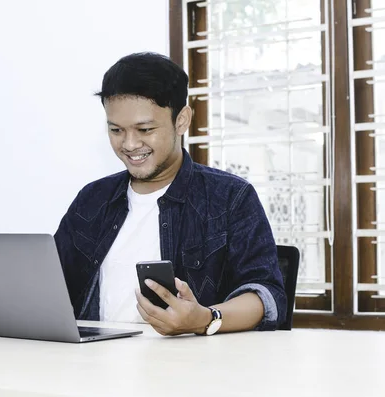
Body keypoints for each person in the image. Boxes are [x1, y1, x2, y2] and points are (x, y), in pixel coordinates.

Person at [54, 52, 286, 336]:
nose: (129, 144)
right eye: (116, 130)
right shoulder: (92, 200)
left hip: (187, 371)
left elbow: (267, 295)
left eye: (145, 129)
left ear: (182, 120)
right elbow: (50, 287)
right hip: (92, 366)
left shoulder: (230, 198)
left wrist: (205, 318)